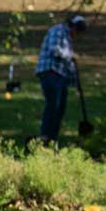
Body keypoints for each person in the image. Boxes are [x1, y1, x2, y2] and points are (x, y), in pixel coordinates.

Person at [35, 15, 87, 143]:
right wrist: (71, 56)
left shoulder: (68, 39)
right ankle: (45, 136)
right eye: (77, 31)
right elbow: (56, 50)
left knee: (60, 108)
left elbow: (68, 64)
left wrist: (76, 84)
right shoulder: (58, 31)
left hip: (60, 76)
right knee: (53, 105)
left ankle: (53, 138)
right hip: (50, 72)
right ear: (73, 26)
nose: (77, 35)